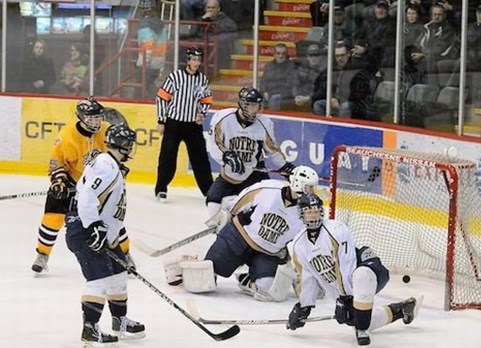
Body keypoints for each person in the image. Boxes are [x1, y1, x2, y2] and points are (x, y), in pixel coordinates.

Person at [165, 166, 320, 302]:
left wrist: (307, 272)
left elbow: (307, 244)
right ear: (298, 184)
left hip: (267, 254)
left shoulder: (308, 211)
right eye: (309, 187)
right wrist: (227, 217)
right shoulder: (268, 189)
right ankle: (182, 264)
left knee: (268, 291)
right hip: (238, 238)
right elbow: (238, 203)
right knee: (203, 281)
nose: (312, 192)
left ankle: (247, 279)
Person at [286, 193, 421, 346]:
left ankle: (362, 330)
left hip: (369, 269)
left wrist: (345, 299)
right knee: (355, 318)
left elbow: (345, 266)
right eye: (309, 212)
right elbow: (307, 278)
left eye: (316, 211)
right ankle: (401, 309)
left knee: (361, 276)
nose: (313, 215)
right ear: (301, 215)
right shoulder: (298, 245)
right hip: (348, 287)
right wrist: (303, 307)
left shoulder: (336, 230)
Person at [65, 123, 145, 345]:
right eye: (129, 145)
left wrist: (107, 233)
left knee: (119, 274)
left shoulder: (111, 165)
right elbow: (88, 196)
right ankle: (89, 329)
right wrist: (94, 227)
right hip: (86, 230)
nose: (131, 149)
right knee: (98, 279)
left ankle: (120, 320)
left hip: (101, 232)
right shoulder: (106, 165)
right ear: (123, 145)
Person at [31, 97, 130, 274]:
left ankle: (125, 254)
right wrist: (59, 181)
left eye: (99, 117)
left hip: (98, 185)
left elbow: (114, 155)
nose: (97, 122)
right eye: (92, 118)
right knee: (52, 218)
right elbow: (56, 163)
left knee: (111, 218)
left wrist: (119, 169)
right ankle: (42, 255)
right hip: (71, 182)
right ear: (82, 118)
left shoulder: (106, 130)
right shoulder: (67, 136)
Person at [203, 86, 295, 228]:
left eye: (257, 105)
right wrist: (227, 156)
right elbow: (215, 142)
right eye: (251, 105)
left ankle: (249, 227)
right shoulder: (223, 119)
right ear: (242, 104)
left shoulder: (264, 123)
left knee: (265, 203)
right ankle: (220, 228)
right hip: (230, 174)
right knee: (212, 198)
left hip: (254, 173)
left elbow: (271, 150)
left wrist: (286, 167)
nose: (255, 109)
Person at [155, 47, 214, 202]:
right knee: (167, 157)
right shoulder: (175, 76)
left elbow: (206, 99)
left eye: (198, 60)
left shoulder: (202, 79)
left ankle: (209, 191)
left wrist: (202, 114)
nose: (196, 63)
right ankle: (161, 187)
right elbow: (162, 97)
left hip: (193, 126)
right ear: (188, 61)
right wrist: (161, 120)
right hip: (174, 123)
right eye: (193, 60)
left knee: (200, 159)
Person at [135, 1, 168, 99]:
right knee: (151, 83)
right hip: (159, 60)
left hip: (148, 62)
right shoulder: (160, 23)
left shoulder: (144, 24)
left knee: (140, 86)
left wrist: (144, 62)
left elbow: (148, 45)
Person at [259, 43, 296, 110]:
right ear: (274, 54)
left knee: (274, 99)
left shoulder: (292, 66)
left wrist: (271, 94)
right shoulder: (269, 66)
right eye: (278, 53)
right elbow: (263, 82)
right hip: (269, 95)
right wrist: (264, 92)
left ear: (286, 54)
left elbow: (291, 86)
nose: (280, 56)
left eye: (283, 53)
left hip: (284, 96)